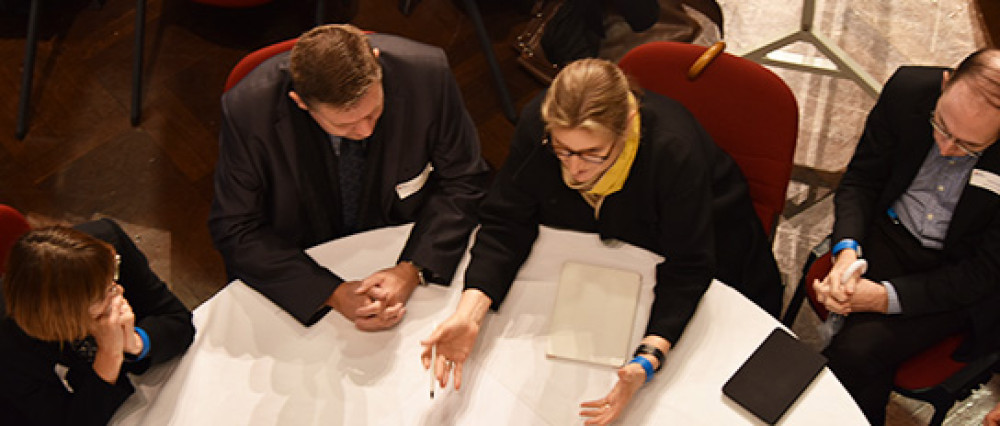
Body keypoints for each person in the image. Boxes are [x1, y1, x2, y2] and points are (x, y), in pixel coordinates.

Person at [420, 58, 781, 425]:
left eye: (594, 154)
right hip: (603, 248)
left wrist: (647, 358)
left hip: (715, 249)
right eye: (562, 149)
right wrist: (469, 314)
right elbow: (507, 220)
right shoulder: (540, 128)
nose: (574, 169)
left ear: (625, 126)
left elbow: (688, 266)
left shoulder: (673, 149)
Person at [208, 24, 489, 331]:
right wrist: (330, 292)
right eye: (344, 126)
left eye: (373, 112)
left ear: (376, 61)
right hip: (302, 253)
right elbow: (235, 228)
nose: (365, 131)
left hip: (403, 236)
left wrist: (412, 268)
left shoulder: (428, 75)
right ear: (300, 102)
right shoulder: (248, 111)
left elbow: (465, 178)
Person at [814, 49, 1000, 425]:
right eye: (942, 125)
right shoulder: (908, 89)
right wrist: (846, 252)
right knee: (859, 355)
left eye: (969, 147)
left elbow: (984, 273)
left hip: (959, 271)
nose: (947, 149)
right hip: (890, 232)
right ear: (946, 82)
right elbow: (861, 182)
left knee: (857, 353)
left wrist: (883, 299)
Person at [0, 219, 195, 425]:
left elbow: (177, 319)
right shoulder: (8, 342)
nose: (118, 290)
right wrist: (109, 356)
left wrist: (135, 343)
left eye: (114, 280)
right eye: (105, 293)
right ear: (68, 314)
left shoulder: (107, 248)